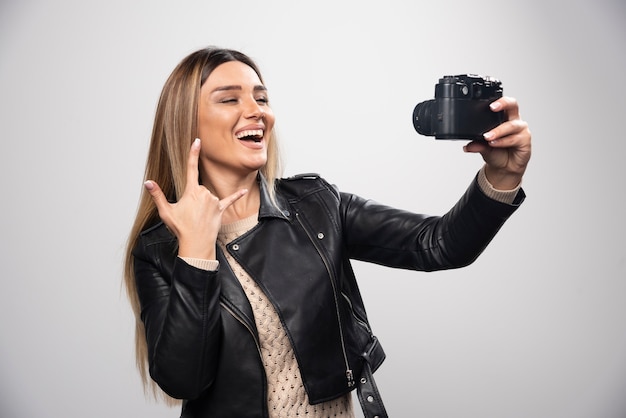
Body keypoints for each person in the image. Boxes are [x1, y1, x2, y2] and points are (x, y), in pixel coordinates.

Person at [123, 46, 531, 418]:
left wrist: (502, 173)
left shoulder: (317, 206)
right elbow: (183, 380)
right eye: (230, 99)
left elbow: (438, 245)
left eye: (261, 98)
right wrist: (196, 250)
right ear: (185, 122)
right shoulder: (158, 249)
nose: (257, 111)